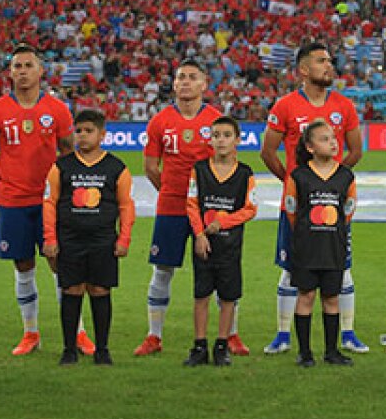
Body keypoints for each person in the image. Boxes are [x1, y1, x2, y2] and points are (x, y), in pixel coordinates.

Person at [260, 43, 366, 355]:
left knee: (341, 267)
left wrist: (333, 182)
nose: (329, 66)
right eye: (321, 61)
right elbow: (267, 152)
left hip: (332, 209)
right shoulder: (285, 106)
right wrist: (295, 183)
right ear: (304, 70)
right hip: (296, 209)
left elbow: (357, 150)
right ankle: (283, 335)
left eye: (330, 60)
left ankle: (347, 333)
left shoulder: (344, 106)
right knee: (291, 268)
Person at [0, 45, 81, 356]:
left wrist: (57, 183)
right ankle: (30, 332)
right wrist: (8, 170)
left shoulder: (58, 110)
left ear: (40, 71)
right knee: (23, 266)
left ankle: (76, 333)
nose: (22, 71)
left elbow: (68, 154)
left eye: (28, 65)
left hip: (49, 201)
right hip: (13, 201)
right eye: (17, 66)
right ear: (10, 72)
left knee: (60, 264)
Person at [133, 61, 232, 357]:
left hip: (210, 211)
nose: (185, 82)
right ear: (174, 85)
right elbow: (151, 167)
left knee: (220, 272)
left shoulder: (216, 121)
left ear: (204, 84)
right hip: (171, 207)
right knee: (162, 269)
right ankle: (154, 336)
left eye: (192, 77)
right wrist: (174, 193)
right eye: (181, 78)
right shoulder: (160, 121)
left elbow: (226, 165)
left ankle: (231, 336)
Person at [42, 109, 134, 366]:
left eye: (88, 131)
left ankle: (102, 349)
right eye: (78, 131)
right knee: (71, 290)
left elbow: (126, 205)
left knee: (99, 290)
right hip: (70, 239)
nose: (82, 136)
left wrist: (124, 239)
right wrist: (50, 238)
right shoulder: (62, 166)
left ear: (102, 134)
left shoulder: (117, 168)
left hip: (103, 240)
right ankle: (69, 349)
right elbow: (50, 203)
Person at [183, 117, 258, 367]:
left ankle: (222, 345)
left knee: (228, 298)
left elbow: (250, 209)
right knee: (201, 295)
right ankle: (199, 346)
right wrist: (200, 235)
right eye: (216, 135)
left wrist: (221, 223)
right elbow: (192, 204)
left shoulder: (245, 174)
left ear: (238, 140)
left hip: (230, 247)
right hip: (204, 245)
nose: (221, 140)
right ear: (210, 139)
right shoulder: (200, 169)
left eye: (227, 135)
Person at [283, 120, 357, 367]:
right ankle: (305, 352)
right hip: (306, 247)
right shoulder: (299, 176)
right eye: (325, 139)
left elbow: (348, 210)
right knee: (305, 296)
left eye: (334, 138)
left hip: (333, 247)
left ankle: (331, 351)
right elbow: (292, 211)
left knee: (331, 298)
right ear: (310, 147)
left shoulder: (346, 175)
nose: (333, 142)